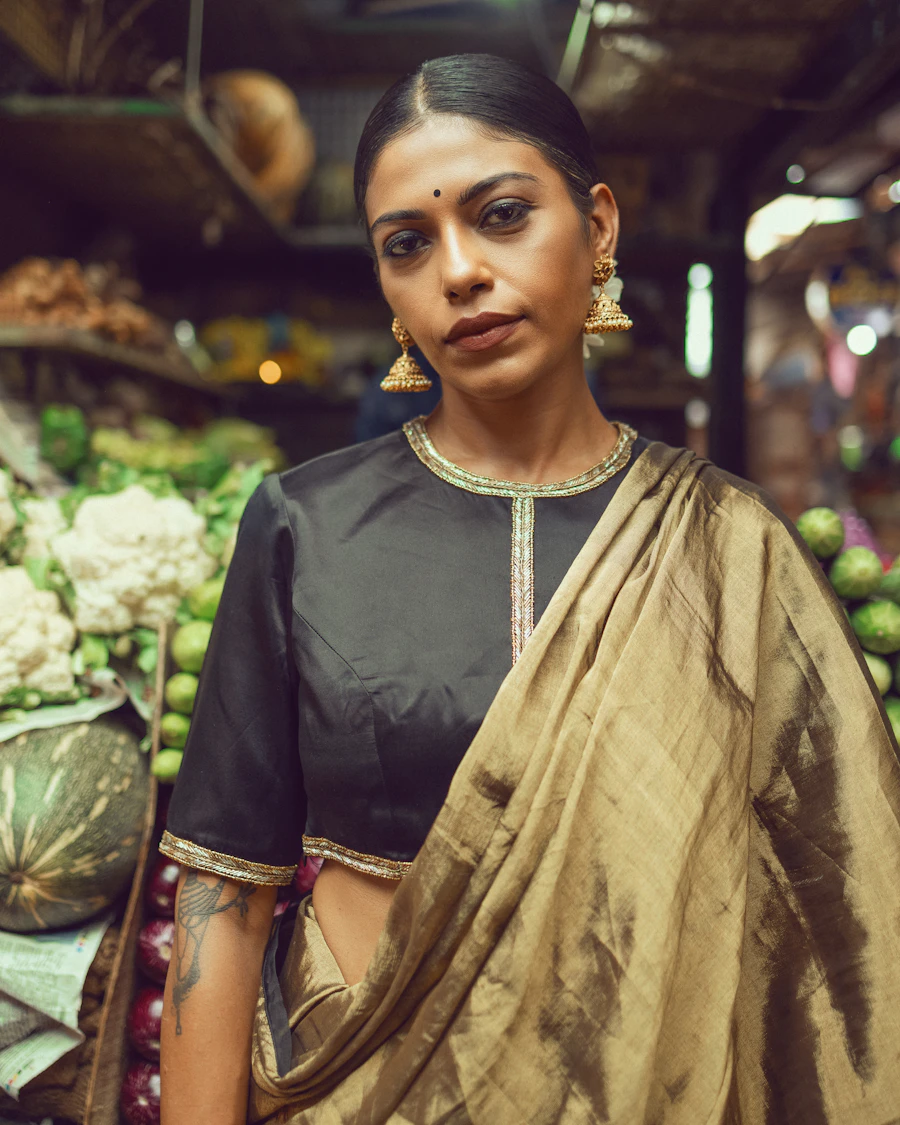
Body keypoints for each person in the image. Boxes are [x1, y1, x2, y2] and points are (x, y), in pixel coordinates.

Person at [159, 54, 900, 1125]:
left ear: (598, 226)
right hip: (357, 1084)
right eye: (407, 244)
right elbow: (223, 899)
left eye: (502, 215)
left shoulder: (730, 546)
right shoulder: (303, 526)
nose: (457, 271)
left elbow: (838, 918)